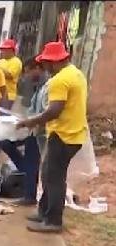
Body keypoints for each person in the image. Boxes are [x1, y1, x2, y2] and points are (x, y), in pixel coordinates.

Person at [16, 42, 88, 233]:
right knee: (49, 174)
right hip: (73, 134)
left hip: (63, 135)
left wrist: (30, 122)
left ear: (53, 61)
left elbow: (54, 111)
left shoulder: (59, 80)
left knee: (54, 178)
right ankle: (44, 212)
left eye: (46, 63)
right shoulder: (77, 73)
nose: (45, 67)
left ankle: (53, 221)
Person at [0, 57, 48, 206]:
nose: (26, 76)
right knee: (5, 143)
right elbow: (30, 106)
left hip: (39, 130)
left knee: (32, 160)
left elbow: (47, 111)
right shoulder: (35, 85)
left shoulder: (47, 85)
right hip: (30, 126)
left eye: (29, 72)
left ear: (37, 68)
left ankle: (29, 196)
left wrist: (30, 122)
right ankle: (27, 175)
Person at [0, 39, 23, 109]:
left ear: (12, 50)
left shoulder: (16, 62)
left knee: (3, 117)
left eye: (5, 50)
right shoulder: (0, 61)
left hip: (8, 95)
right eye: (2, 49)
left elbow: (10, 75)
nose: (3, 52)